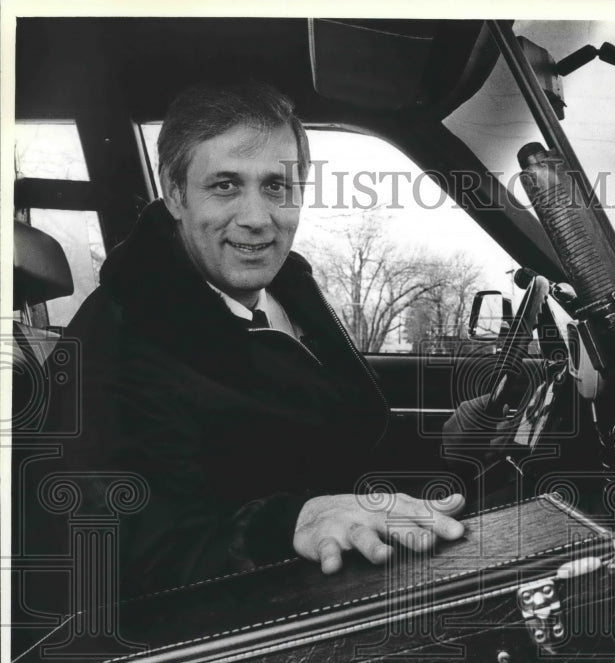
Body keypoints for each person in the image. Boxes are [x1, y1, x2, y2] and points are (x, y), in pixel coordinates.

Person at [36, 81, 466, 595]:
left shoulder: (287, 286)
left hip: (376, 577)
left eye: (276, 187)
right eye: (225, 185)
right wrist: (286, 525)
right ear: (175, 195)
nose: (258, 219)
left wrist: (455, 453)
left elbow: (351, 431)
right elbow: (127, 558)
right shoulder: (113, 346)